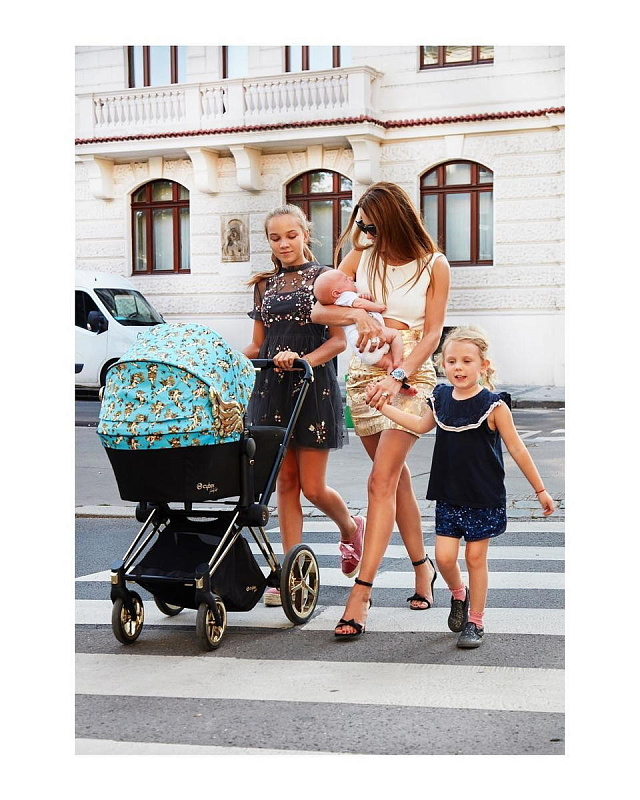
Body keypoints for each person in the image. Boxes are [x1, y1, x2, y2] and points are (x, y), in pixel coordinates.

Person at [310, 181, 451, 639]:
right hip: (363, 376)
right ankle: (422, 566)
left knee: (380, 480)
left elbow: (433, 333)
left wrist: (399, 375)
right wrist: (356, 315)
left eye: (372, 225)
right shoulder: (361, 256)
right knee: (396, 478)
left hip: (408, 373)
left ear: (394, 220)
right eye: (362, 226)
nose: (367, 233)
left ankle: (361, 594)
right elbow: (318, 311)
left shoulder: (434, 264)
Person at [368, 325, 555, 647]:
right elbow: (420, 425)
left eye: (467, 361)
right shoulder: (440, 398)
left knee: (475, 559)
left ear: (483, 365)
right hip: (449, 494)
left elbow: (518, 449)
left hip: (483, 496)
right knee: (443, 558)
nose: (459, 367)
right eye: (452, 361)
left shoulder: (494, 406)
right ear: (443, 365)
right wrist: (384, 407)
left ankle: (475, 621)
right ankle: (459, 594)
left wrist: (540, 490)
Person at [243, 204, 366, 606]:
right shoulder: (263, 285)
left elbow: (338, 341)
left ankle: (351, 528)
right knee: (284, 483)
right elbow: (258, 344)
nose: (284, 244)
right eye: (275, 237)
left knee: (313, 488)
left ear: (305, 234)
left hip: (312, 387)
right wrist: (224, 360)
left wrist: (302, 361)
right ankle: (288, 571)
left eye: (291, 235)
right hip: (270, 389)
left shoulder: (324, 278)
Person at [313, 268, 404, 372]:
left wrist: (366, 298)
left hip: (363, 350)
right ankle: (398, 361)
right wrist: (378, 307)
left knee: (387, 364)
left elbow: (360, 302)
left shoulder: (340, 303)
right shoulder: (345, 296)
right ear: (336, 293)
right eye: (346, 279)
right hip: (370, 338)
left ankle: (393, 371)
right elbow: (360, 304)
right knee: (395, 335)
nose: (351, 278)